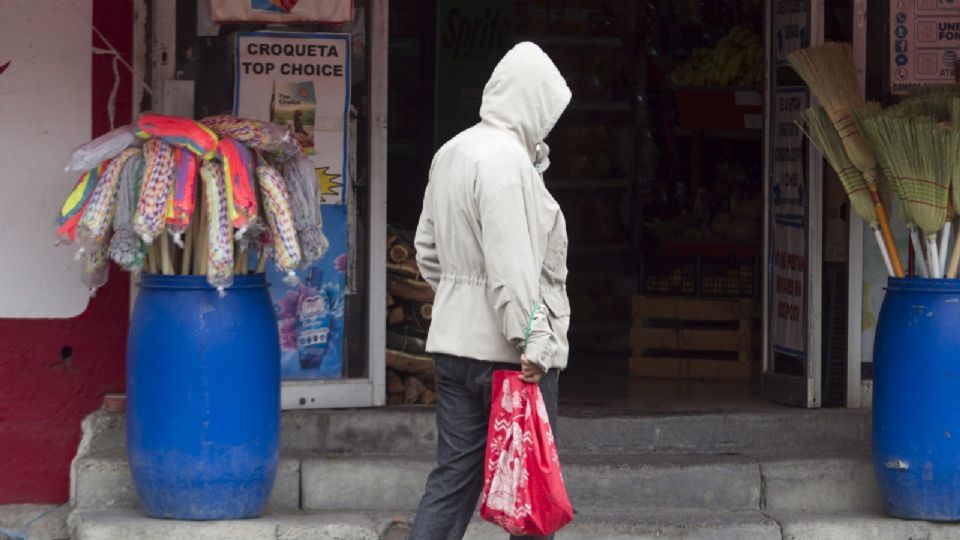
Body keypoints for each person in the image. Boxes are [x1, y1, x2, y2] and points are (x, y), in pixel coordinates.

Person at [410, 42, 572, 540]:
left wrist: (461, 302)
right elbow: (512, 270)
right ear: (533, 103)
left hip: (455, 347)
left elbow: (426, 250)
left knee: (453, 478)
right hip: (510, 357)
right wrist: (533, 341)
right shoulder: (507, 165)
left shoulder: (453, 151)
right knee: (529, 492)